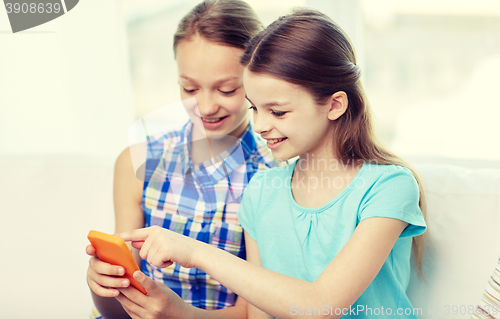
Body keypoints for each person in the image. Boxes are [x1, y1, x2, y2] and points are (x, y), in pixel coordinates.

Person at [117, 8, 429, 319]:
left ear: (334, 105)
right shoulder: (262, 191)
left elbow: (322, 305)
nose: (261, 125)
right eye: (255, 108)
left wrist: (196, 252)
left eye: (277, 112)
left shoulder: (389, 187)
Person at [86, 1, 278, 318]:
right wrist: (101, 284)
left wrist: (178, 313)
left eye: (227, 89)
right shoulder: (138, 162)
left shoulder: (273, 179)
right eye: (189, 87)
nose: (204, 106)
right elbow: (116, 308)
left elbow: (256, 313)